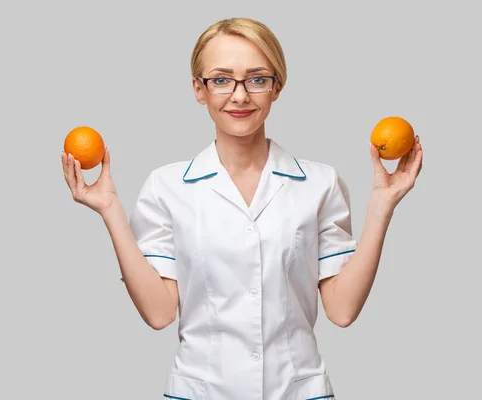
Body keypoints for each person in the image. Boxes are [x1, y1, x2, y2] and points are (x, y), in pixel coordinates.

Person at [61, 17, 423, 400]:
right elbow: (159, 313)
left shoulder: (321, 184)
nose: (239, 96)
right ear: (198, 90)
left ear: (276, 87)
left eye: (257, 79)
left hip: (297, 391)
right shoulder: (165, 187)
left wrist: (383, 204)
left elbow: (343, 310)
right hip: (199, 391)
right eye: (220, 79)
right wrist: (109, 208)